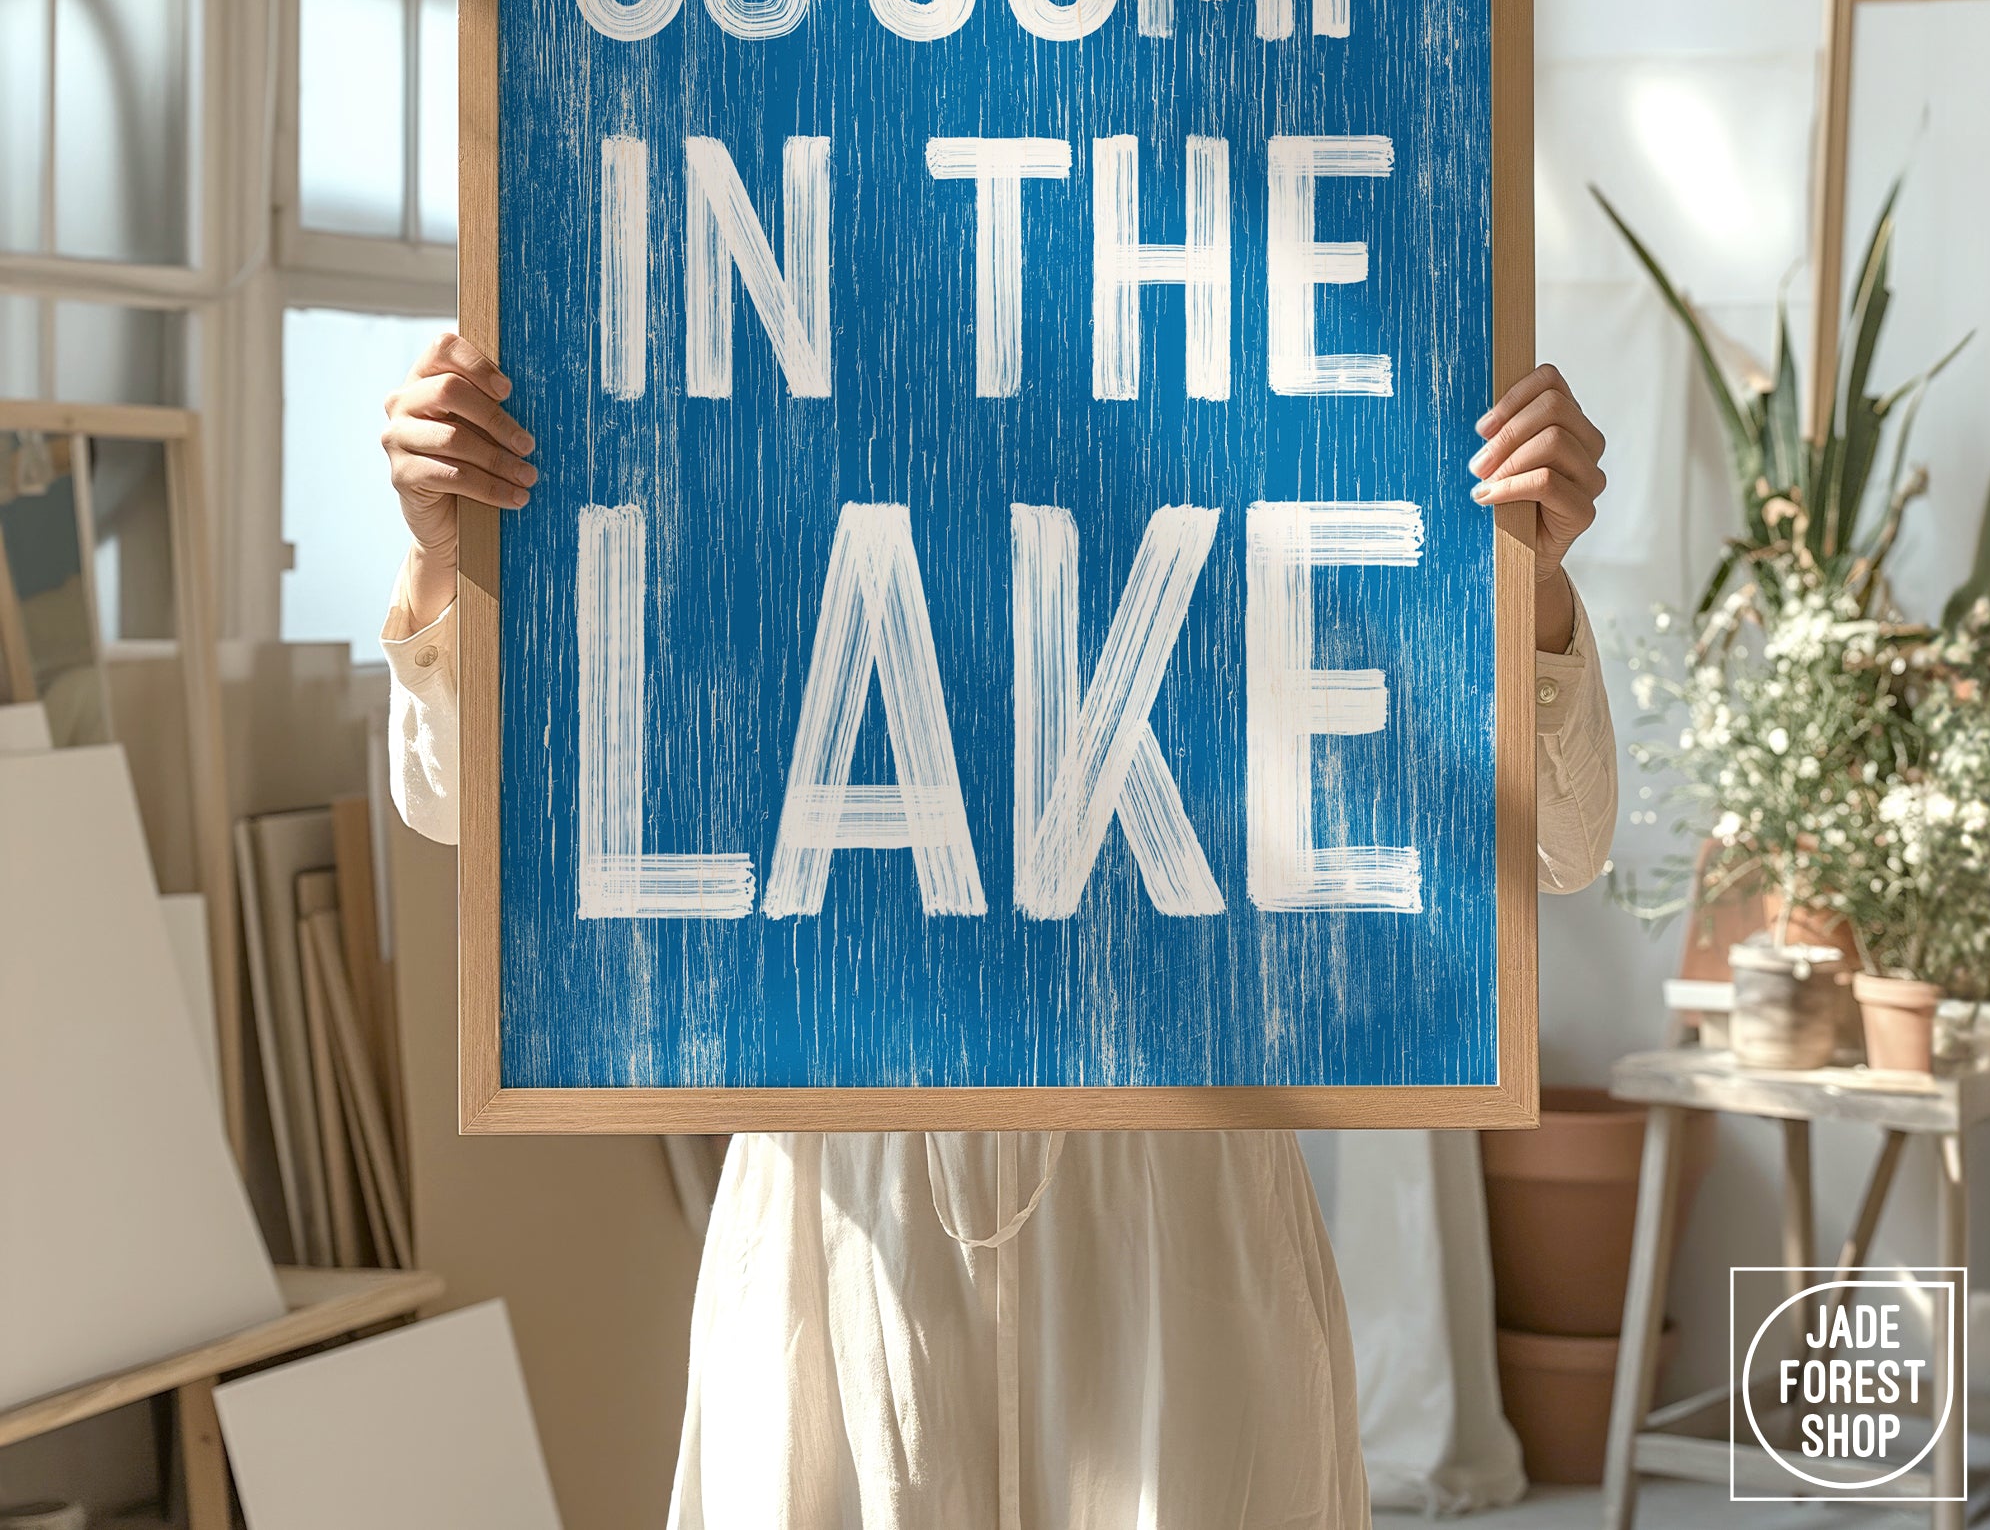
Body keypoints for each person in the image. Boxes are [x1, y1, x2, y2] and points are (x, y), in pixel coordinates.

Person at [380, 336, 1615, 1530]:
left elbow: (1556, 836)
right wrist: (451, 562)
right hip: (846, 1198)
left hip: (1182, 1190)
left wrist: (1530, 582)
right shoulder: (764, 413)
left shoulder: (1253, 400)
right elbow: (460, 807)